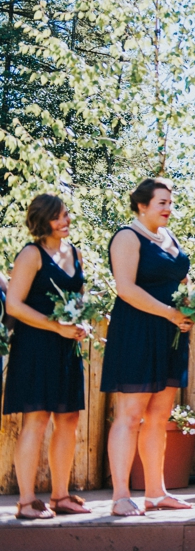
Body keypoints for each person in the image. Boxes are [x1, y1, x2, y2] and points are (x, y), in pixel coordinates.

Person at [101, 177, 195, 516]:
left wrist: (188, 309)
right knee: (130, 415)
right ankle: (121, 496)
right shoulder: (127, 236)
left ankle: (156, 492)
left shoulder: (170, 237)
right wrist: (170, 313)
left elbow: (182, 280)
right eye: (162, 203)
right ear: (142, 205)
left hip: (170, 334)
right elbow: (125, 288)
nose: (169, 208)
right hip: (137, 330)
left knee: (158, 416)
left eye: (170, 203)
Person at [4, 194, 90, 519]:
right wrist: (56, 327)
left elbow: (79, 297)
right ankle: (26, 502)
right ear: (42, 221)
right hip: (35, 345)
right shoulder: (31, 254)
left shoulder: (75, 253)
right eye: (58, 217)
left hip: (67, 347)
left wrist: (81, 322)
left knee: (69, 419)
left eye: (66, 214)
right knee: (37, 419)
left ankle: (60, 496)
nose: (65, 221)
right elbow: (14, 305)